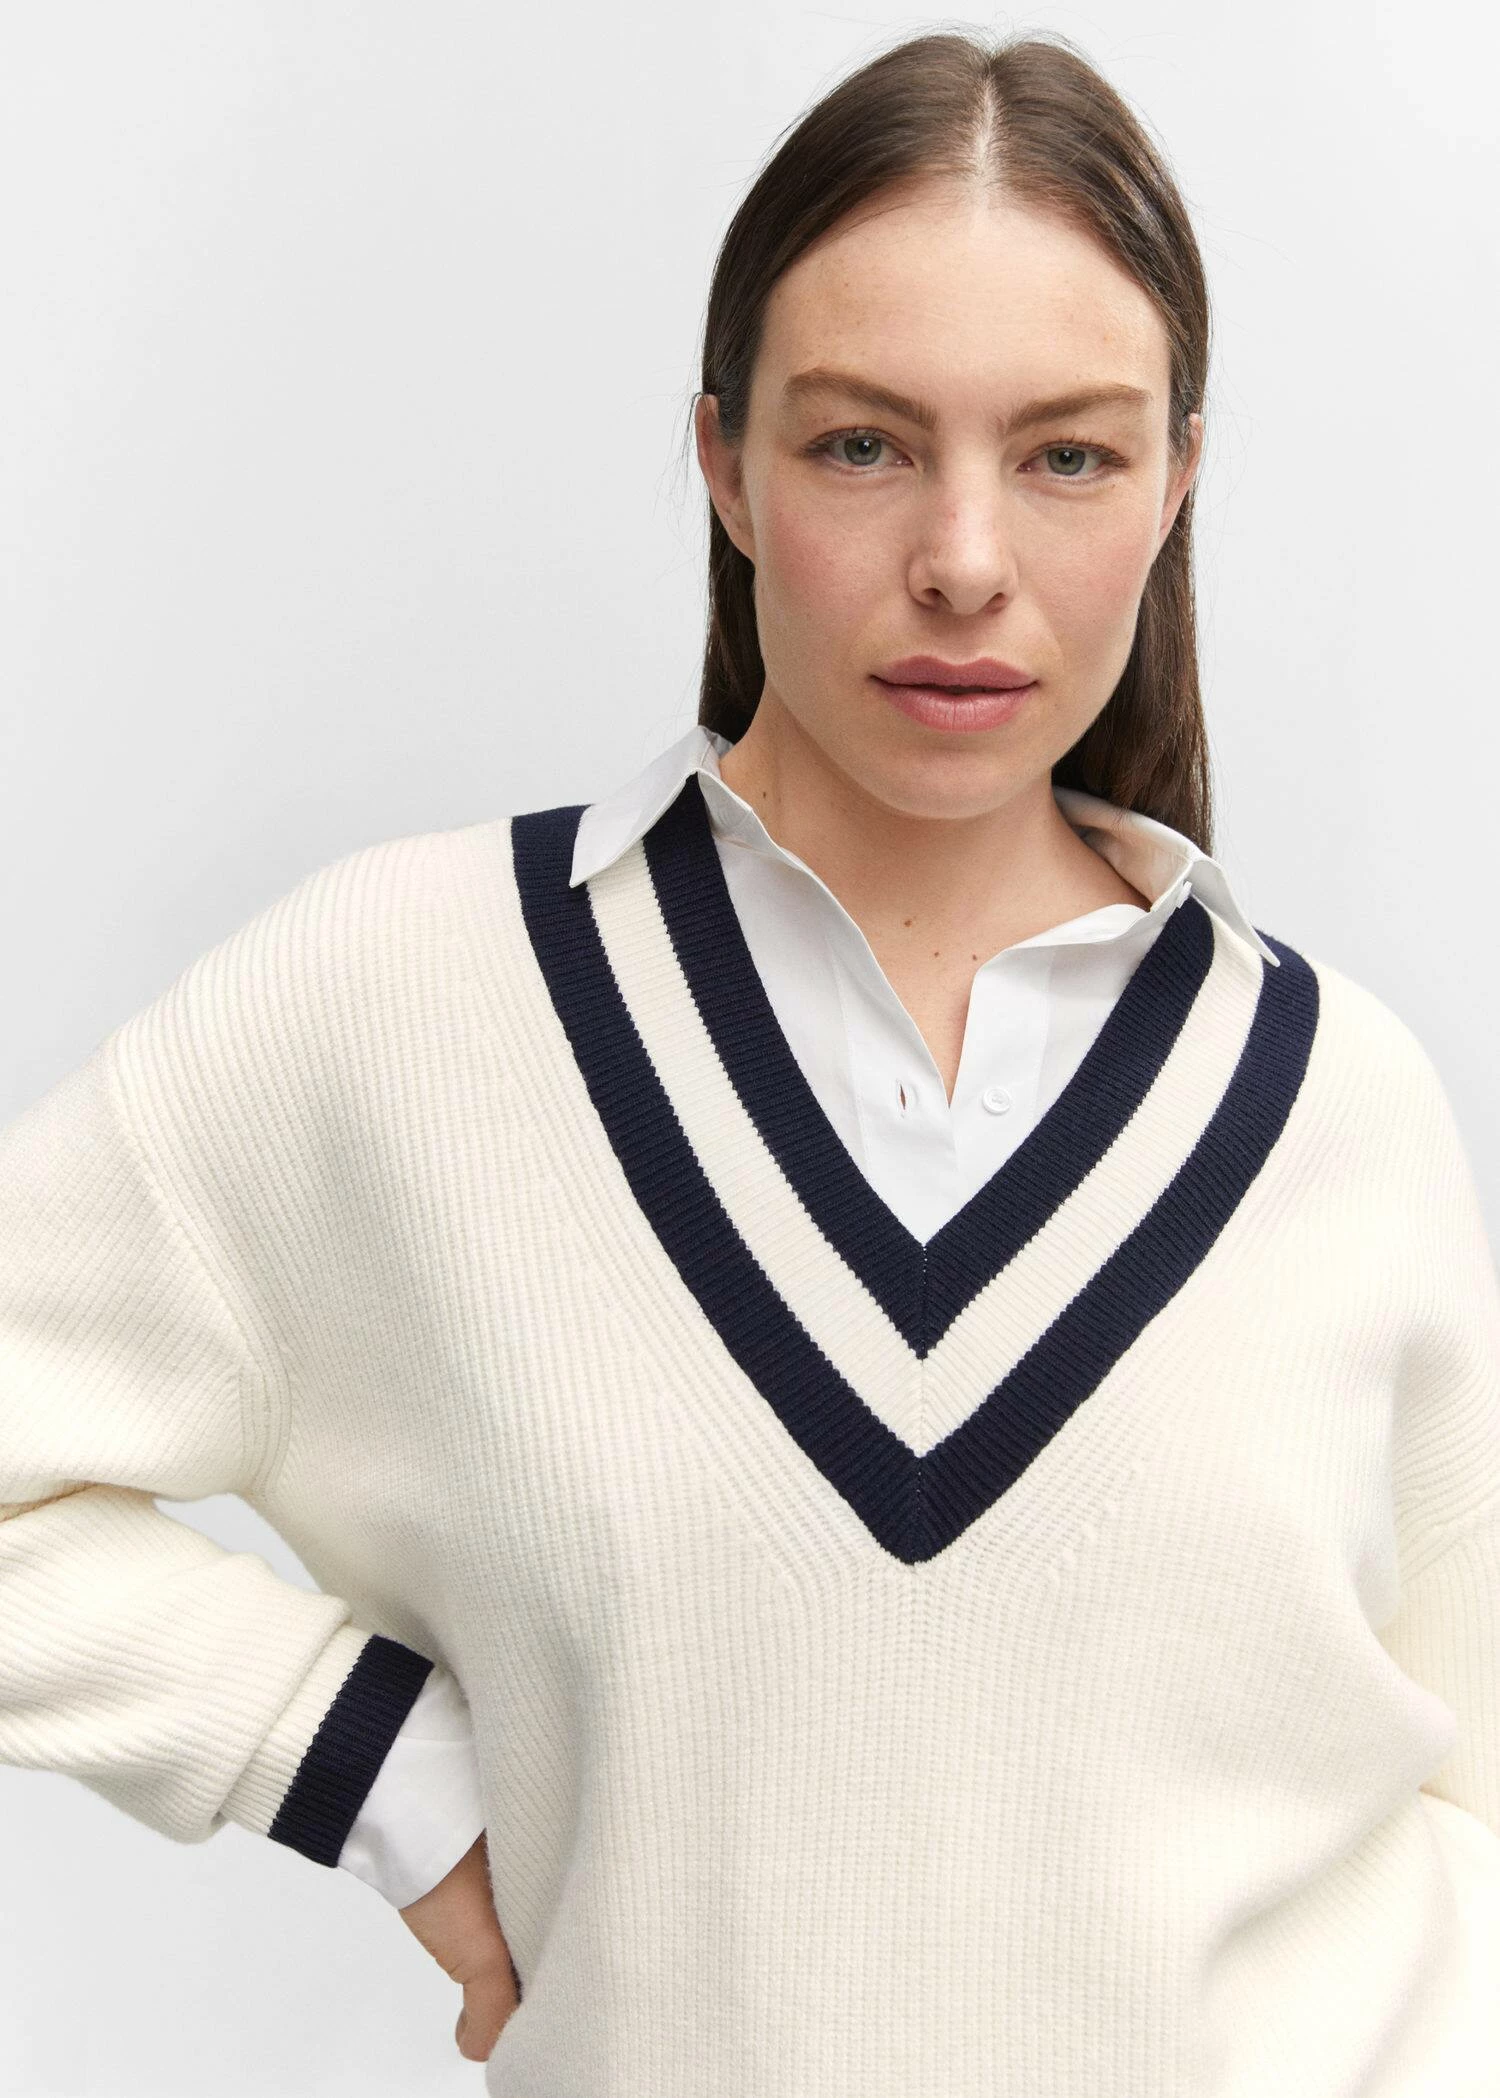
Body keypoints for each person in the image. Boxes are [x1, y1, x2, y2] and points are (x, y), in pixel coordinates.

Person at [3, 27, 1498, 2098]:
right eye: (863, 444)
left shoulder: (1341, 1103)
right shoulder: (410, 999)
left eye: (1067, 455)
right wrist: (380, 1777)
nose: (963, 554)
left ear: (1178, 478)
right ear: (723, 461)